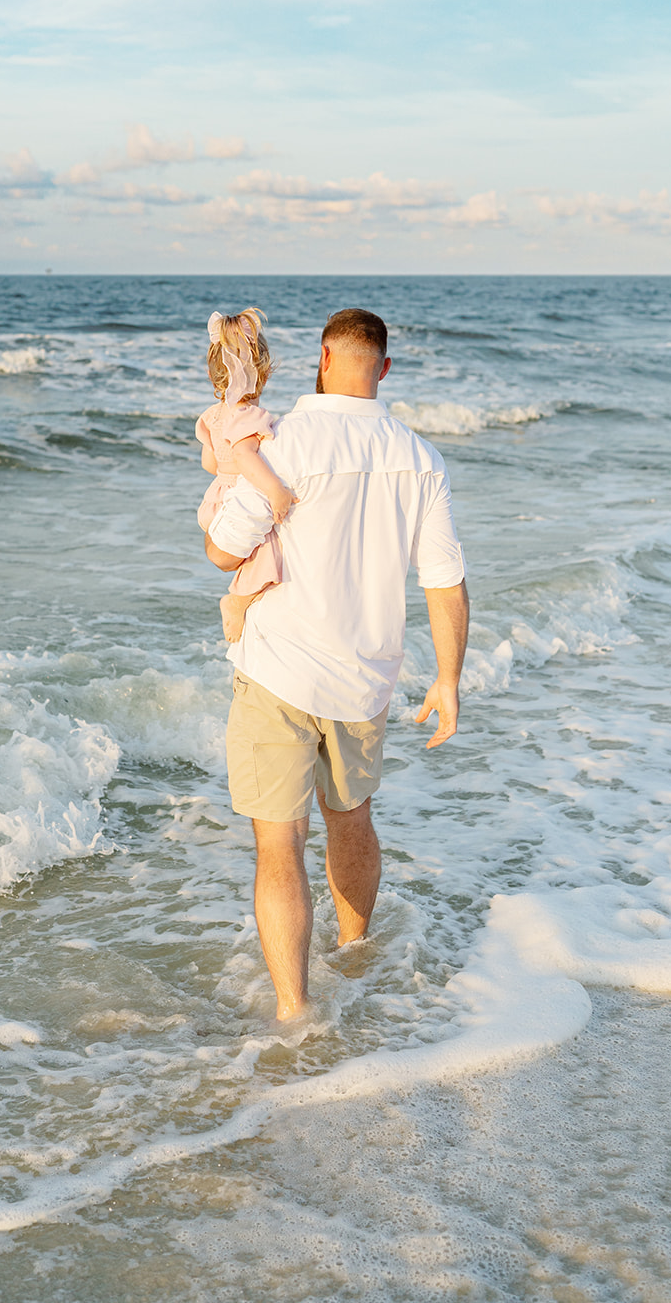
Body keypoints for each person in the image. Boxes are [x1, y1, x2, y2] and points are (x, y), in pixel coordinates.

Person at [205, 307, 469, 1021]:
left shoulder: (284, 443)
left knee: (278, 841)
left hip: (280, 669)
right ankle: (354, 952)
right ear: (382, 369)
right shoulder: (420, 458)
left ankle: (294, 1009)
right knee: (350, 817)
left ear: (322, 358)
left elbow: (225, 552)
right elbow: (442, 579)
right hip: (365, 678)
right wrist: (446, 679)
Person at [196, 309, 295, 645]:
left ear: (214, 377)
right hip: (235, 498)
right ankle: (236, 601)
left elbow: (210, 462)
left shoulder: (213, 415)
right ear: (263, 373)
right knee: (268, 555)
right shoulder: (250, 416)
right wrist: (276, 490)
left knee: (251, 557)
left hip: (214, 501)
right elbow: (243, 456)